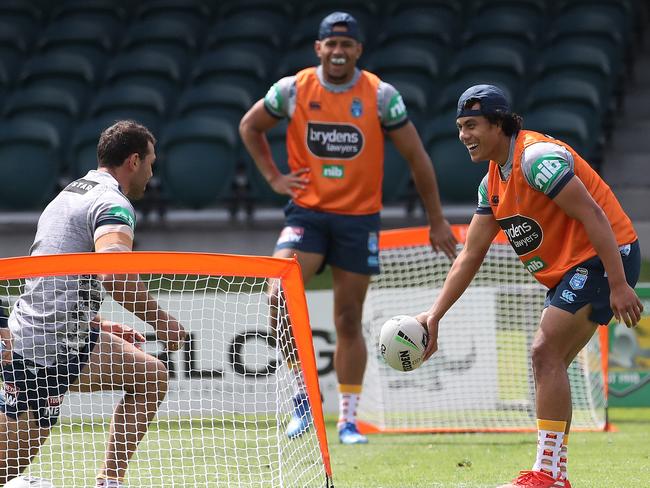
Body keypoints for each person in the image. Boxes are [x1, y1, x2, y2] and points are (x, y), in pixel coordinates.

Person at [239, 11, 457, 445]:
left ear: (359, 49)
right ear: (318, 48)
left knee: (347, 318)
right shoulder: (293, 89)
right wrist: (274, 178)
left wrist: (436, 220)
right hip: (307, 214)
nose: (338, 51)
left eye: (347, 45)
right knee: (278, 294)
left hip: (359, 220)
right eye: (331, 44)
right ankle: (305, 400)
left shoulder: (380, 96)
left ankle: (349, 421)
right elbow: (250, 126)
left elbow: (417, 157)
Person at [416, 85, 643, 488]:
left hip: (605, 258)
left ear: (499, 124)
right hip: (572, 270)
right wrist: (435, 316)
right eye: (459, 127)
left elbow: (593, 214)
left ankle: (547, 475)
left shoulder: (537, 160)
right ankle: (554, 475)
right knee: (548, 360)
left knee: (543, 351)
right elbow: (470, 255)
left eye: (472, 126)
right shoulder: (492, 185)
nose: (463, 135)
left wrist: (620, 283)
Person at [0, 120, 187, 488]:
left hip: (69, 335)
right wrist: (161, 320)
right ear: (133, 160)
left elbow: (57, 277)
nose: (152, 173)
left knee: (150, 377)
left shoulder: (70, 192)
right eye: (151, 162)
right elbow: (113, 273)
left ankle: (109, 482)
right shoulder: (112, 202)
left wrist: (95, 324)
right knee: (6, 468)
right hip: (41, 348)